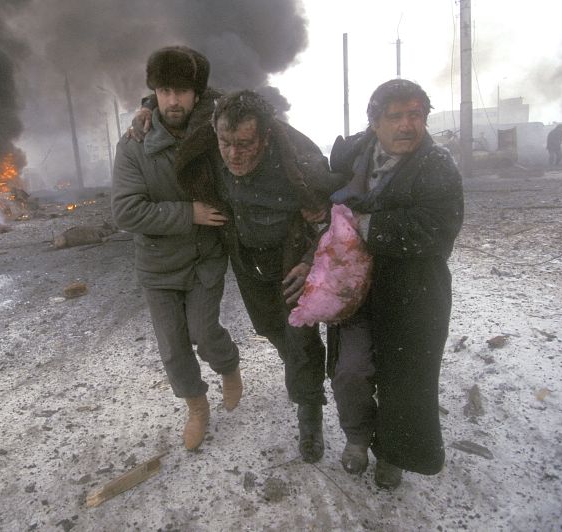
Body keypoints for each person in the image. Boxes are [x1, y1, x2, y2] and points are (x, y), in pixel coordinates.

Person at [173, 89, 335, 463]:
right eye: (225, 143)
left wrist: (311, 259)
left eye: (245, 144)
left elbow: (335, 217)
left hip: (291, 262)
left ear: (265, 137)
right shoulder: (212, 146)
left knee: (300, 337)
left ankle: (309, 414)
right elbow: (189, 100)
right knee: (268, 328)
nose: (233, 155)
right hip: (248, 261)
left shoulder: (300, 162)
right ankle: (295, 362)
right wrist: (147, 110)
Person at [328, 79, 464, 489]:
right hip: (357, 290)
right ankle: (356, 438)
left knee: (405, 381)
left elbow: (438, 230)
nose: (408, 125)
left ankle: (393, 452)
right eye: (396, 116)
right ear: (374, 123)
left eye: (416, 115)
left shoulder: (437, 165)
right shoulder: (352, 155)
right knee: (349, 371)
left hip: (414, 293)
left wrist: (366, 224)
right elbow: (313, 185)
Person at [111, 46, 241, 452]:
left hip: (204, 257)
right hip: (158, 264)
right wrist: (190, 214)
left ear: (197, 94)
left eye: (182, 91)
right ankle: (197, 408)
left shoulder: (217, 132)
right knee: (172, 347)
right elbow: (126, 210)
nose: (172, 101)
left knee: (204, 333)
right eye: (164, 90)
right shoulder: (134, 143)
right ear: (154, 92)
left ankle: (228, 365)